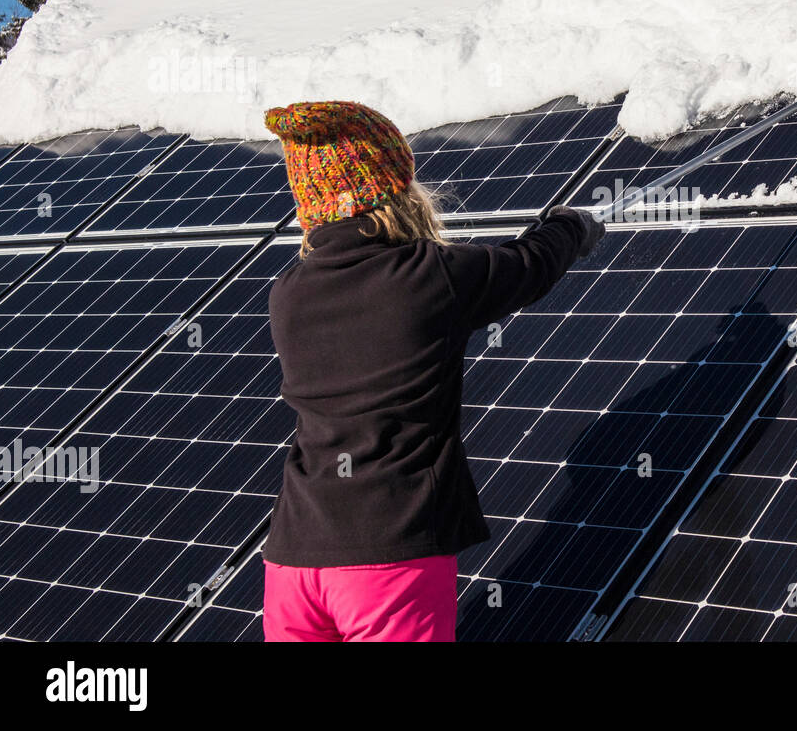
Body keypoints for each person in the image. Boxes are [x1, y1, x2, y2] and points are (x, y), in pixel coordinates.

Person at [259, 100, 604, 641]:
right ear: (393, 190)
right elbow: (528, 266)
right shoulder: (430, 277)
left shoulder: (287, 294)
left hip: (293, 557)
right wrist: (570, 229)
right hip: (389, 552)